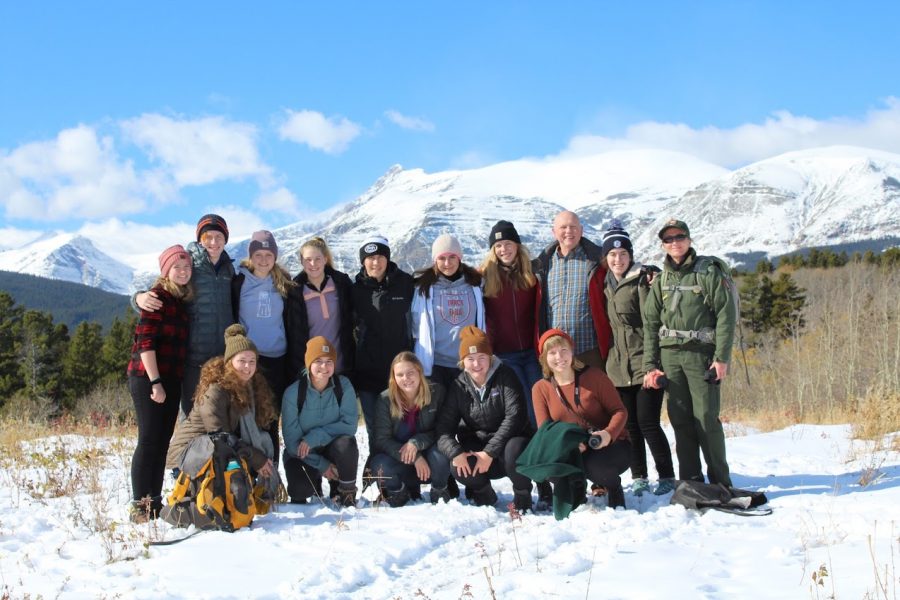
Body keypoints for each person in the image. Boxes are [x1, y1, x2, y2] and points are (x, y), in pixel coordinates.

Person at [642, 218, 737, 487]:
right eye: (668, 239)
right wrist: (650, 365)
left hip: (701, 356)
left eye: (679, 237)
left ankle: (720, 481)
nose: (675, 243)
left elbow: (726, 315)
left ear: (689, 239)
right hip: (670, 358)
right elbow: (650, 322)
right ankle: (691, 480)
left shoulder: (708, 273)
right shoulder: (661, 280)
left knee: (706, 419)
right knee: (680, 420)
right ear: (663, 244)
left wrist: (722, 358)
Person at [601, 222, 675, 496]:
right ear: (606, 258)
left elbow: (652, 324)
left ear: (630, 255)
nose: (617, 259)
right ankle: (639, 476)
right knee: (630, 426)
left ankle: (666, 474)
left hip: (645, 363)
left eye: (622, 254)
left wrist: (651, 366)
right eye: (612, 255)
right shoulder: (604, 284)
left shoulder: (642, 280)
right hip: (618, 369)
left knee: (648, 423)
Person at [135, 214, 235, 415]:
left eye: (219, 237)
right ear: (200, 239)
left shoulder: (228, 269)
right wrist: (138, 297)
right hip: (193, 359)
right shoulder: (189, 266)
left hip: (223, 358)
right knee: (191, 415)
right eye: (208, 237)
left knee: (221, 414)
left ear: (225, 240)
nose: (214, 243)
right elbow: (163, 288)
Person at [126, 245, 193, 523]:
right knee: (149, 439)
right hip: (148, 377)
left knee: (162, 441)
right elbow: (146, 342)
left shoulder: (181, 299)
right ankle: (141, 506)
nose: (183, 271)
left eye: (187, 267)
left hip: (172, 376)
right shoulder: (157, 297)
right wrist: (155, 381)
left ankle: (153, 501)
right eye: (177, 267)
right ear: (166, 271)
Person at [165, 324, 277, 485]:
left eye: (252, 361)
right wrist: (255, 457)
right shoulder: (215, 389)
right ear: (229, 362)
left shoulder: (249, 388)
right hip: (188, 458)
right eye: (242, 361)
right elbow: (219, 436)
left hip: (215, 452)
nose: (248, 367)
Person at [435, 326, 533, 510]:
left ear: (490, 357)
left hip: (506, 449)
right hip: (478, 451)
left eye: (481, 357)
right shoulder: (458, 386)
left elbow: (515, 417)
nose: (476, 364)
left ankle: (523, 493)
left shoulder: (506, 375)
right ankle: (483, 492)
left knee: (516, 449)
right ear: (463, 361)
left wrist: (489, 452)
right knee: (458, 464)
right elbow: (443, 429)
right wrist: (455, 452)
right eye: (470, 359)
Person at [531, 329, 630, 508]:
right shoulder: (541, 388)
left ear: (572, 352)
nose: (559, 357)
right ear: (544, 357)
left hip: (606, 443)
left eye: (563, 350)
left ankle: (613, 486)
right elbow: (545, 430)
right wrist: (568, 445)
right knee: (546, 462)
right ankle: (575, 487)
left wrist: (608, 434)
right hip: (571, 444)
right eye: (552, 353)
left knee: (595, 466)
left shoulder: (594, 376)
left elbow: (620, 411)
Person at [232, 230, 295, 466]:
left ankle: (272, 478)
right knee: (245, 418)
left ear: (275, 256)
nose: (264, 259)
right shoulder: (239, 281)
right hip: (247, 361)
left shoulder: (284, 282)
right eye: (258, 254)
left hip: (277, 359)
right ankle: (249, 476)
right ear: (251, 255)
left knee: (270, 419)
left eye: (269, 254)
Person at [281, 336, 359, 507]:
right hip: (302, 454)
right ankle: (313, 481)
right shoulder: (293, 393)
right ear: (309, 363)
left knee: (347, 443)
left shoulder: (343, 386)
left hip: (333, 449)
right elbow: (293, 444)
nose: (324, 367)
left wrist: (315, 436)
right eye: (318, 361)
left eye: (329, 361)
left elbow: (350, 425)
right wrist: (322, 465)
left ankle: (346, 492)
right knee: (301, 490)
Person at [368, 352, 452, 506]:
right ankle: (399, 492)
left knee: (441, 453)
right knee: (379, 465)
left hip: (430, 462)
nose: (406, 378)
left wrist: (416, 443)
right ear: (394, 378)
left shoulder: (437, 393)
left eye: (410, 373)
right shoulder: (385, 400)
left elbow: (443, 430)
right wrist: (415, 457)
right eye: (400, 375)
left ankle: (440, 490)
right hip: (401, 461)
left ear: (419, 372)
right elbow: (381, 440)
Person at [480, 220, 542, 427]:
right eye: (498, 246)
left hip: (533, 352)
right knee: (523, 402)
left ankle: (546, 448)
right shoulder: (485, 277)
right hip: (505, 354)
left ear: (517, 245)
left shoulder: (532, 274)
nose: (503, 249)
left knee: (539, 399)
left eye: (508, 243)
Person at [350, 235, 415, 435]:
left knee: (403, 430)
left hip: (400, 375)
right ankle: (375, 467)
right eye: (370, 258)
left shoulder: (406, 284)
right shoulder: (354, 290)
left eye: (379, 256)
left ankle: (407, 466)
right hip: (367, 374)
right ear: (363, 261)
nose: (375, 262)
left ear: (388, 258)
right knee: (375, 432)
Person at [533, 210, 612, 370]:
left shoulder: (598, 261)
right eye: (563, 227)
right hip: (556, 355)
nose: (569, 231)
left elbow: (623, 266)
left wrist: (649, 271)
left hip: (589, 351)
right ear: (554, 232)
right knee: (560, 395)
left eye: (573, 227)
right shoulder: (542, 265)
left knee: (594, 394)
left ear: (581, 231)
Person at [412, 233, 485, 388]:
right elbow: (415, 322)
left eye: (452, 257)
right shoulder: (423, 287)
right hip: (435, 365)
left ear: (459, 257)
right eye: (442, 258)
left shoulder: (475, 284)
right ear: (435, 260)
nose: (447, 263)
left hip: (468, 362)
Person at [285, 237, 354, 385]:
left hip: (341, 365)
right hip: (313, 368)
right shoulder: (295, 292)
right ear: (301, 262)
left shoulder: (341, 285)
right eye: (308, 259)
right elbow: (293, 334)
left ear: (325, 259)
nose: (313, 264)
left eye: (317, 259)